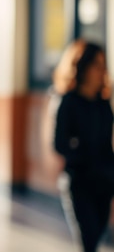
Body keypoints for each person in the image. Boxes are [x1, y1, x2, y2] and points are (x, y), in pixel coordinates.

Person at [53, 39, 114, 252]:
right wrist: (84, 157)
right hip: (79, 182)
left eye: (103, 65)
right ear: (84, 67)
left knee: (97, 236)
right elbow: (60, 144)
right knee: (88, 241)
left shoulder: (103, 104)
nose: (102, 71)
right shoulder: (68, 102)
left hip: (104, 182)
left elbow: (107, 145)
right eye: (97, 65)